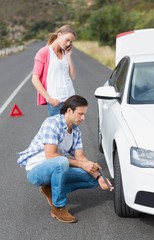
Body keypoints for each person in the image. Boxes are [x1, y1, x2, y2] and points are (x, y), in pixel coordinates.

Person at [17, 95, 112, 223]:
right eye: (80, 114)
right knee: (61, 162)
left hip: (57, 167)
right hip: (36, 171)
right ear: (69, 111)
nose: (83, 118)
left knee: (93, 179)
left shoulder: (76, 130)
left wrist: (99, 176)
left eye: (84, 114)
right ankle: (58, 207)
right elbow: (51, 156)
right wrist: (81, 164)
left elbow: (80, 157)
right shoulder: (52, 123)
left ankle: (51, 188)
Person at [32, 25, 76, 116]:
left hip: (71, 100)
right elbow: (35, 79)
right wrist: (49, 99)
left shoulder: (65, 53)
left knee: (72, 130)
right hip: (56, 102)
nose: (68, 44)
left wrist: (68, 56)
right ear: (59, 35)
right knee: (57, 129)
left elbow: (72, 76)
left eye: (71, 42)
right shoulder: (44, 52)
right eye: (67, 40)